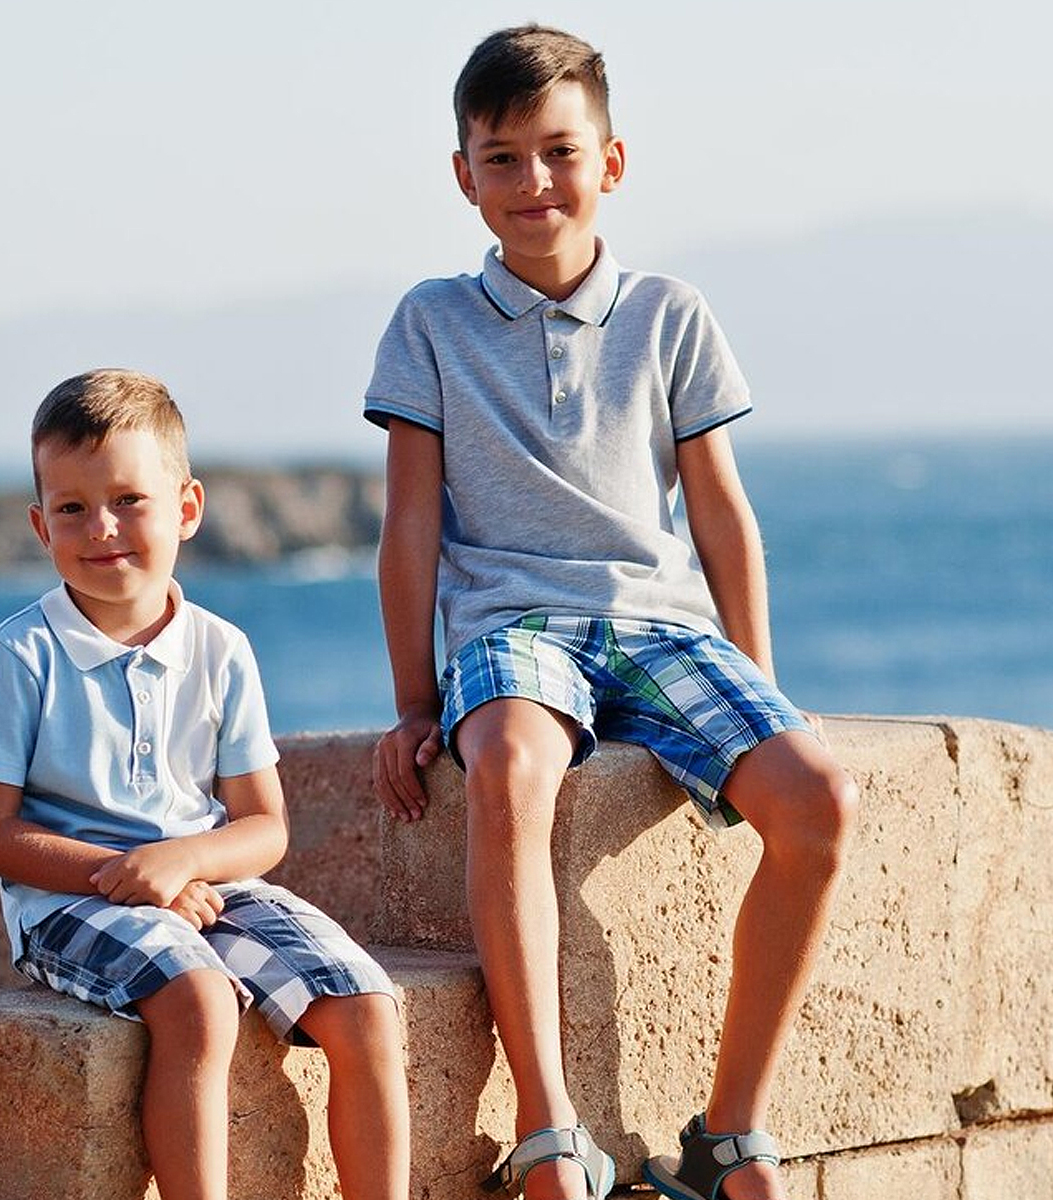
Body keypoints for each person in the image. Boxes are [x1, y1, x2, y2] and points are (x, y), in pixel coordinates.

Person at [364, 25, 856, 1200]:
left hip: (663, 625)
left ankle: (731, 1130)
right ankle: (548, 1131)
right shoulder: (428, 323)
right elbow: (410, 528)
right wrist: (411, 704)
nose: (534, 184)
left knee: (820, 799)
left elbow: (721, 512)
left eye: (558, 152)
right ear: (463, 174)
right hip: (514, 628)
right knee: (512, 776)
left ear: (612, 161)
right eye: (502, 159)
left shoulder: (672, 313)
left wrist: (765, 679)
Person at [0, 369, 409, 1200]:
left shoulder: (222, 650)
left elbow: (265, 827)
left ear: (187, 508)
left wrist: (182, 863)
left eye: (128, 499)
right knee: (198, 1000)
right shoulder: (17, 660)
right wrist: (130, 879)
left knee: (366, 1005)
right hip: (66, 901)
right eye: (74, 509)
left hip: (203, 883)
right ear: (40, 526)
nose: (102, 528)